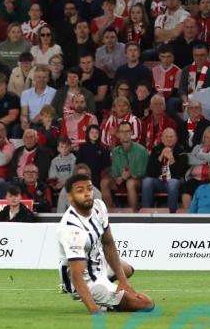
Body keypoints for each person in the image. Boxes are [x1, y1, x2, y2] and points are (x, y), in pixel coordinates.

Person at [57, 173, 154, 314]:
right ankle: (99, 300)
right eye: (80, 190)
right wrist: (94, 311)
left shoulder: (99, 206)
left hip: (97, 263)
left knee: (127, 270)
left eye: (89, 189)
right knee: (147, 304)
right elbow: (77, 275)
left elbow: (108, 243)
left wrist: (123, 282)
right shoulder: (71, 229)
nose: (87, 193)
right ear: (70, 197)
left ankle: (108, 293)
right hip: (85, 280)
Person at [100, 121, 148, 211]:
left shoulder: (141, 150)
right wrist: (117, 178)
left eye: (127, 131)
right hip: (121, 180)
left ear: (131, 133)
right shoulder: (115, 151)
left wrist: (129, 175)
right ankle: (110, 213)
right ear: (118, 134)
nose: (125, 134)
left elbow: (142, 173)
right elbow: (114, 172)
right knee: (104, 182)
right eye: (122, 132)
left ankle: (134, 213)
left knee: (130, 183)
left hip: (137, 180)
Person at [141, 127, 188, 213]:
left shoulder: (182, 152)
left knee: (172, 182)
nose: (169, 139)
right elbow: (150, 173)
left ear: (176, 139)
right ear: (161, 138)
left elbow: (179, 175)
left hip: (176, 181)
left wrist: (171, 159)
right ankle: (146, 212)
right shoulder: (156, 150)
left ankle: (171, 213)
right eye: (166, 137)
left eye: (171, 136)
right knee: (147, 181)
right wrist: (161, 155)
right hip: (159, 181)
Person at [181, 126, 210, 210]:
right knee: (185, 187)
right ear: (204, 138)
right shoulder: (198, 147)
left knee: (203, 189)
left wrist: (198, 155)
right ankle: (189, 214)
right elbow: (191, 160)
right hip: (195, 177)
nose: (209, 140)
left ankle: (203, 213)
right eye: (207, 137)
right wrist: (206, 160)